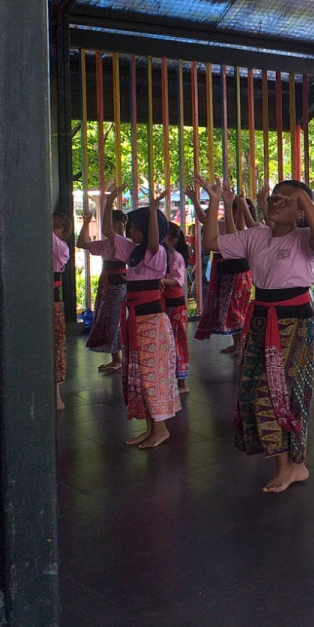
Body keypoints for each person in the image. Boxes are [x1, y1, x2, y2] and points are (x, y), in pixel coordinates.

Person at [199, 175, 314, 493]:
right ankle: (293, 464)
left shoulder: (303, 239)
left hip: (294, 323)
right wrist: (215, 201)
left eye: (286, 199)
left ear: (301, 210)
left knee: (276, 393)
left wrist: (303, 198)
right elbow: (211, 242)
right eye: (274, 197)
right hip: (260, 319)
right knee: (253, 390)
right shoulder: (255, 235)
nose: (275, 202)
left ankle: (289, 466)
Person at [101, 185, 180, 449]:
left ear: (146, 229)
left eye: (135, 227)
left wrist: (154, 210)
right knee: (139, 374)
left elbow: (154, 240)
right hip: (136, 320)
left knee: (151, 374)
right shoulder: (132, 253)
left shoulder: (157, 253)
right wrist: (109, 201)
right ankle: (150, 428)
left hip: (152, 321)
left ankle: (161, 429)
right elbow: (108, 232)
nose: (130, 231)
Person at [194, 192, 252, 355]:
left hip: (237, 272)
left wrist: (235, 206)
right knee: (227, 308)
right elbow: (204, 219)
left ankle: (241, 344)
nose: (229, 213)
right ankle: (236, 343)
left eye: (233, 209)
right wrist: (195, 201)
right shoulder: (221, 225)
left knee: (236, 308)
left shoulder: (243, 229)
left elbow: (235, 231)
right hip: (224, 269)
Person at [78, 204, 128, 373]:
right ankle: (117, 358)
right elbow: (81, 243)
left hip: (119, 284)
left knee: (116, 319)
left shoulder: (124, 243)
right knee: (109, 318)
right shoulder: (106, 244)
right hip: (107, 282)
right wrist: (86, 224)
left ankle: (119, 358)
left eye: (119, 226)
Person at [163, 222, 191, 396]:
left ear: (172, 240)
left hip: (175, 304)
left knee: (178, 342)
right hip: (164, 302)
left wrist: (161, 281)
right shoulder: (162, 254)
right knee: (168, 342)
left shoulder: (176, 257)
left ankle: (182, 382)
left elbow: (177, 280)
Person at [52, 212, 72, 410]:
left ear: (64, 233)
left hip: (53, 302)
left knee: (56, 344)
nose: (52, 230)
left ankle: (56, 394)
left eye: (57, 227)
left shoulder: (62, 248)